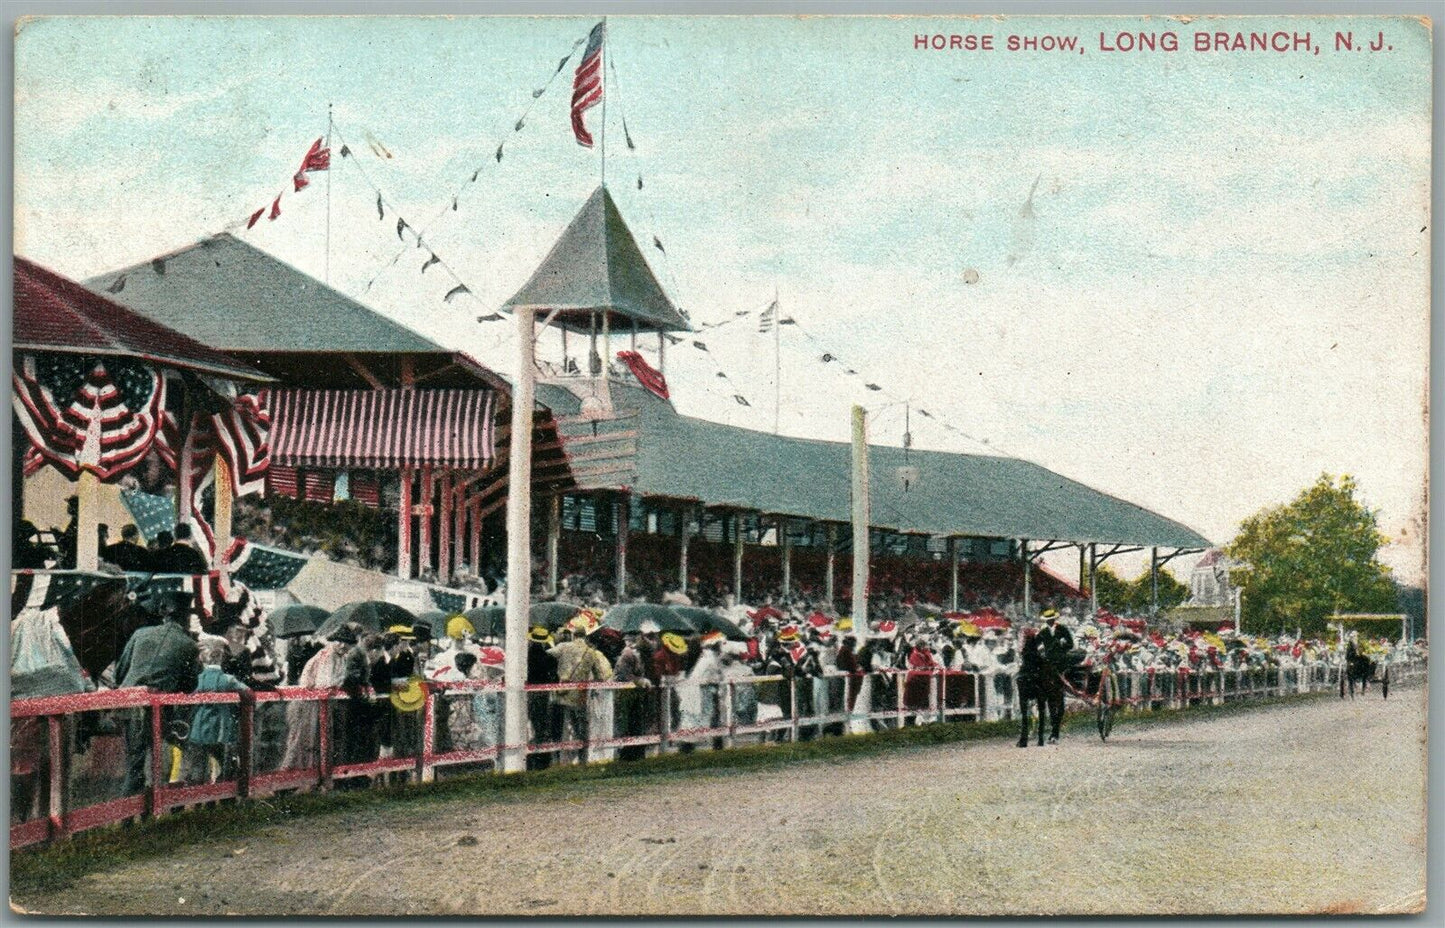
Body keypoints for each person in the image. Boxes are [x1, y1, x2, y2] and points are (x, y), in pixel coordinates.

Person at [115, 592, 200, 793]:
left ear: (164, 614)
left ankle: (136, 806)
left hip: (126, 703)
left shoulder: (140, 634)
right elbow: (189, 686)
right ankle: (134, 809)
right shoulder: (189, 645)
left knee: (135, 762)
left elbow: (120, 673)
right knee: (151, 764)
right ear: (186, 617)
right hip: (156, 711)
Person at [183, 645, 251, 784]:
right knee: (226, 763)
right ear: (222, 660)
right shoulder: (228, 680)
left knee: (198, 765)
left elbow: (188, 697)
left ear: (203, 660)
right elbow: (248, 692)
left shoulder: (198, 679)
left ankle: (197, 789)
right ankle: (223, 788)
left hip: (199, 727)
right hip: (222, 729)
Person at [548, 623, 612, 763]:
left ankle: (557, 758)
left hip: (560, 694)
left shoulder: (563, 647)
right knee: (580, 728)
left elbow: (547, 655)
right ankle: (583, 758)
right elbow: (601, 676)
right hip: (579, 696)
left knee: (557, 728)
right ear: (585, 636)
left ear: (573, 635)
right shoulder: (590, 652)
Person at [1036, 609, 1074, 743]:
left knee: (1058, 699)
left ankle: (1065, 685)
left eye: (1051, 619)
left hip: (1061, 661)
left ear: (1054, 619)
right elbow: (1035, 645)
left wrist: (1063, 645)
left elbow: (1071, 644)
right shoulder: (1043, 632)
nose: (1050, 621)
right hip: (1048, 661)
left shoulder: (1062, 629)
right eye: (1048, 620)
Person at [526, 625, 560, 769]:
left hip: (528, 695)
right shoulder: (550, 659)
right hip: (544, 696)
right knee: (542, 728)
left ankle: (528, 760)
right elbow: (556, 679)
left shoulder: (525, 657)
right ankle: (542, 761)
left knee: (528, 728)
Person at [1016, 628, 1048, 747]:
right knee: (1042, 709)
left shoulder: (1024, 652)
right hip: (1037, 680)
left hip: (1025, 679)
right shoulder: (1038, 652)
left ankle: (1023, 739)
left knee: (1024, 711)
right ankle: (1040, 738)